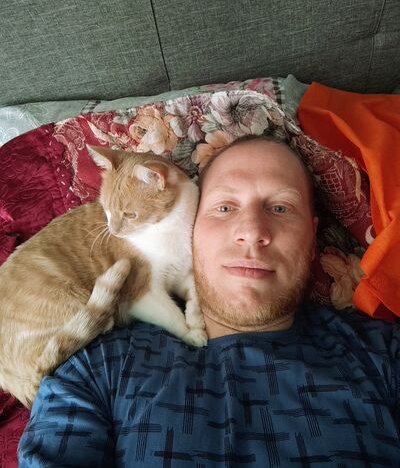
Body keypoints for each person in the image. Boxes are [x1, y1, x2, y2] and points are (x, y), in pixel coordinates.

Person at [18, 136, 400, 467]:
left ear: (312, 238)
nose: (251, 232)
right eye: (225, 208)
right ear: (192, 229)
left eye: (281, 208)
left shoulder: (383, 354)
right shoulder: (94, 370)